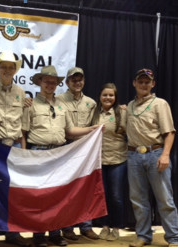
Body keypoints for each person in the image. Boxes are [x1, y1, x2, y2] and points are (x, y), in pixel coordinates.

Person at [22, 65, 100, 247]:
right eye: (46, 81)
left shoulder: (61, 106)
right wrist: (25, 155)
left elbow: (70, 130)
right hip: (39, 152)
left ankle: (55, 234)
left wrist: (91, 129)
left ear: (57, 84)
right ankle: (39, 236)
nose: (50, 84)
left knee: (57, 195)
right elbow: (23, 133)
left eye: (53, 82)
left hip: (59, 152)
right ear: (40, 82)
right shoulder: (30, 104)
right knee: (40, 196)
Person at [0, 51, 31, 247]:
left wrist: (24, 150)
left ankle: (12, 232)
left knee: (14, 192)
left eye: (11, 67)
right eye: (4, 67)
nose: (7, 70)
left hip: (15, 146)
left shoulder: (21, 92)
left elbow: (22, 125)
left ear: (15, 70)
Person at [127, 68, 178, 247]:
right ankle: (143, 236)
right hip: (133, 155)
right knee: (138, 200)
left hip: (155, 154)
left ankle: (174, 238)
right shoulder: (130, 106)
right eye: (140, 81)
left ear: (153, 84)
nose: (143, 84)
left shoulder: (160, 104)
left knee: (164, 199)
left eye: (147, 81)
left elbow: (170, 133)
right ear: (134, 83)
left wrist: (165, 155)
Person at [57, 67, 99, 241]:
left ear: (84, 81)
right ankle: (67, 228)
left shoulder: (91, 103)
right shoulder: (58, 100)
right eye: (73, 79)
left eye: (80, 79)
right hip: (66, 147)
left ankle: (86, 226)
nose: (77, 82)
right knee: (67, 189)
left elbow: (96, 126)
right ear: (67, 82)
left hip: (85, 150)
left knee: (85, 188)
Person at [91, 83, 127, 241]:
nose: (108, 98)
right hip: (99, 161)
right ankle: (105, 226)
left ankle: (117, 227)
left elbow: (130, 133)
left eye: (111, 95)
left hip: (118, 159)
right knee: (102, 195)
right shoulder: (94, 113)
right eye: (105, 95)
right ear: (100, 96)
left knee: (116, 196)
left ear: (115, 97)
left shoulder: (122, 112)